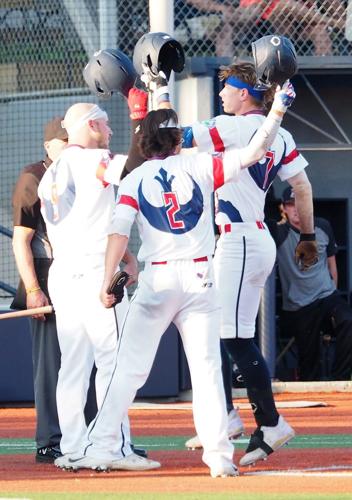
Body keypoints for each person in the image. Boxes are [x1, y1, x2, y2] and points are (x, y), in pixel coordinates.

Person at [52, 81, 296, 476]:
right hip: (201, 277)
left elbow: (118, 231)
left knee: (127, 369)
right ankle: (219, 459)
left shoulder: (134, 178)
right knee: (205, 371)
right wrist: (278, 110)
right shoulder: (201, 164)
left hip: (158, 281)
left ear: (146, 142)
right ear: (176, 140)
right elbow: (254, 152)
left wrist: (107, 279)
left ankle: (101, 447)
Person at [181, 61, 318, 466]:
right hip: (249, 237)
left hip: (239, 239)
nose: (221, 94)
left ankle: (270, 422)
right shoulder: (282, 133)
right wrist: (308, 236)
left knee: (231, 338)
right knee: (221, 333)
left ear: (245, 93)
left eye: (228, 88)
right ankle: (226, 418)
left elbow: (177, 138)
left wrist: (152, 101)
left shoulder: (233, 126)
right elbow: (303, 187)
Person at [37, 95, 149, 467]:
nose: (110, 130)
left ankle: (74, 446)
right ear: (91, 126)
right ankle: (113, 447)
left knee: (74, 365)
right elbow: (134, 168)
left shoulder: (53, 168)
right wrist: (140, 117)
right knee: (114, 360)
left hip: (64, 271)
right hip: (93, 275)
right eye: (105, 124)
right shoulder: (90, 159)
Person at [11, 117, 68, 463]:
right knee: (51, 363)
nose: (70, 145)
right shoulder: (34, 176)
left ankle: (92, 433)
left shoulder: (84, 169)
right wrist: (33, 288)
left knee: (88, 360)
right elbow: (22, 240)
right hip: (46, 276)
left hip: (81, 274)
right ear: (49, 146)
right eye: (63, 141)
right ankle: (49, 439)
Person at [271, 186, 352, 381]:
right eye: (291, 205)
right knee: (309, 363)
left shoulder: (323, 226)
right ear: (284, 208)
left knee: (348, 321)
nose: (297, 209)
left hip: (326, 297)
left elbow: (332, 264)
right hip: (299, 306)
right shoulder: (279, 232)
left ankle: (340, 379)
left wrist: (332, 291)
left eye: (301, 204)